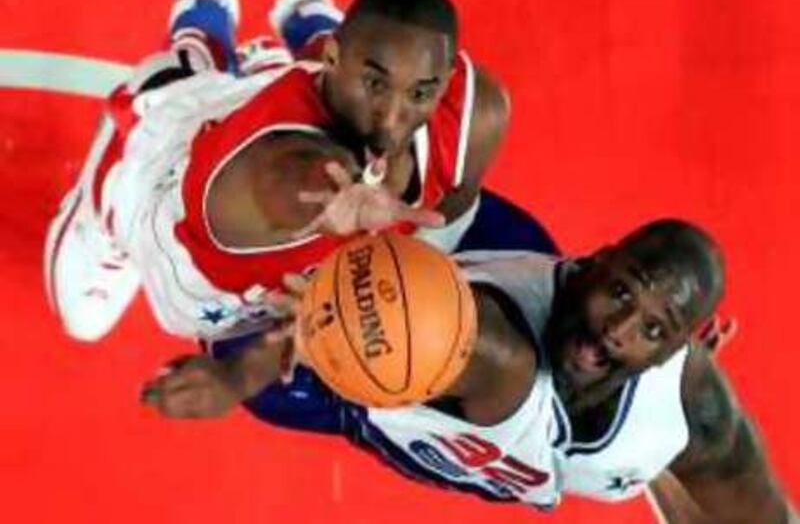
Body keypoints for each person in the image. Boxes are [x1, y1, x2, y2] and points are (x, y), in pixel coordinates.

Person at [143, 219, 795, 522]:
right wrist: (241, 375)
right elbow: (322, 330)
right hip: (353, 392)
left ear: (674, 350)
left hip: (557, 433)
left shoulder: (687, 416)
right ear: (596, 261)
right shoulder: (490, 346)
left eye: (653, 328)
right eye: (621, 292)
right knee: (202, 281)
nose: (617, 327)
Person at [45, 0, 532, 345]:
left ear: (445, 82)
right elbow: (306, 178)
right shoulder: (290, 181)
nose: (392, 118)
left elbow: (453, 208)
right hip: (158, 178)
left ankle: (305, 23)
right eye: (376, 85)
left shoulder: (476, 113)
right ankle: (204, 17)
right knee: (83, 321)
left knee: (345, 84)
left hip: (294, 104)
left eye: (421, 93)